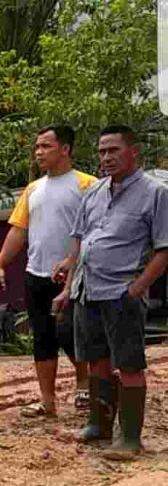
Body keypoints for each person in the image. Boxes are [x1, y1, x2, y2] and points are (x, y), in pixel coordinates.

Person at [53, 125, 168, 460]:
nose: (107, 157)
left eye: (114, 150)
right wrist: (68, 286)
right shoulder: (93, 191)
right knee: (96, 360)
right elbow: (79, 241)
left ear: (133, 152)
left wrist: (137, 289)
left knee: (129, 364)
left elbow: (164, 249)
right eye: (102, 151)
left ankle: (130, 439)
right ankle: (99, 425)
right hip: (87, 290)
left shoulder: (155, 194)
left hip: (122, 292)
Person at [0, 125, 94, 418]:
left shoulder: (88, 185)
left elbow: (97, 230)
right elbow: (18, 230)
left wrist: (73, 261)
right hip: (36, 273)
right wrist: (0, 263)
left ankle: (84, 384)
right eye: (37, 147)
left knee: (72, 333)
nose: (39, 152)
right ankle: (47, 401)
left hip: (75, 275)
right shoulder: (33, 189)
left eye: (46, 146)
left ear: (65, 149)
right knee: (43, 338)